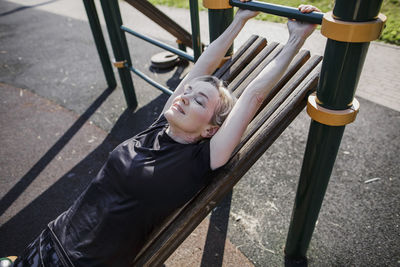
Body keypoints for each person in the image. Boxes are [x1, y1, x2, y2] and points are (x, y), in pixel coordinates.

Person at [10, 3, 320, 267]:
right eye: (187, 92)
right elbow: (205, 63)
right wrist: (239, 20)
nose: (184, 96)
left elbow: (253, 96)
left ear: (211, 129)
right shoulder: (159, 127)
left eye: (199, 101)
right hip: (48, 238)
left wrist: (295, 38)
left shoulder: (200, 158)